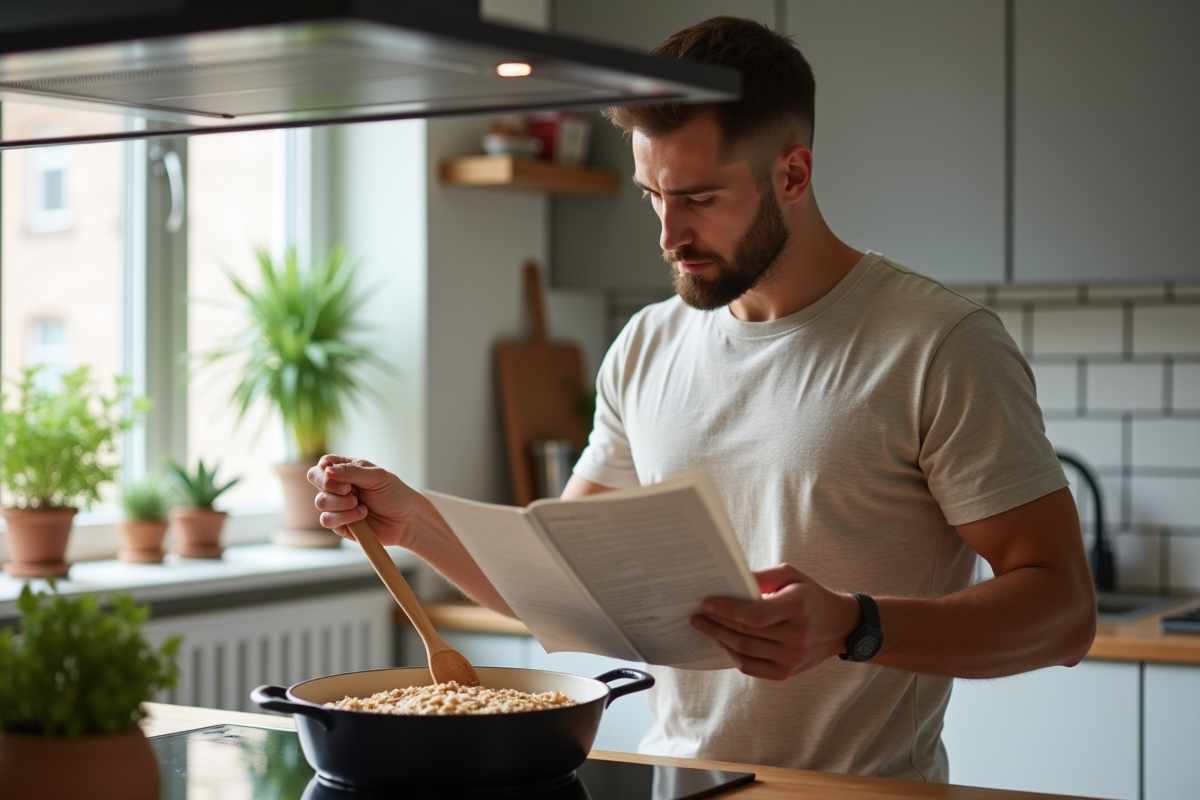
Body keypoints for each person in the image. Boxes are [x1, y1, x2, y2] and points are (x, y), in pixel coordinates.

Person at [309, 16, 1096, 782]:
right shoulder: (647, 345)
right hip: (680, 781)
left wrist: (854, 627)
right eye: (652, 193)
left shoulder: (937, 343)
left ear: (792, 174)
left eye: (698, 198)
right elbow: (563, 584)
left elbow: (1064, 614)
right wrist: (416, 522)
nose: (666, 233)